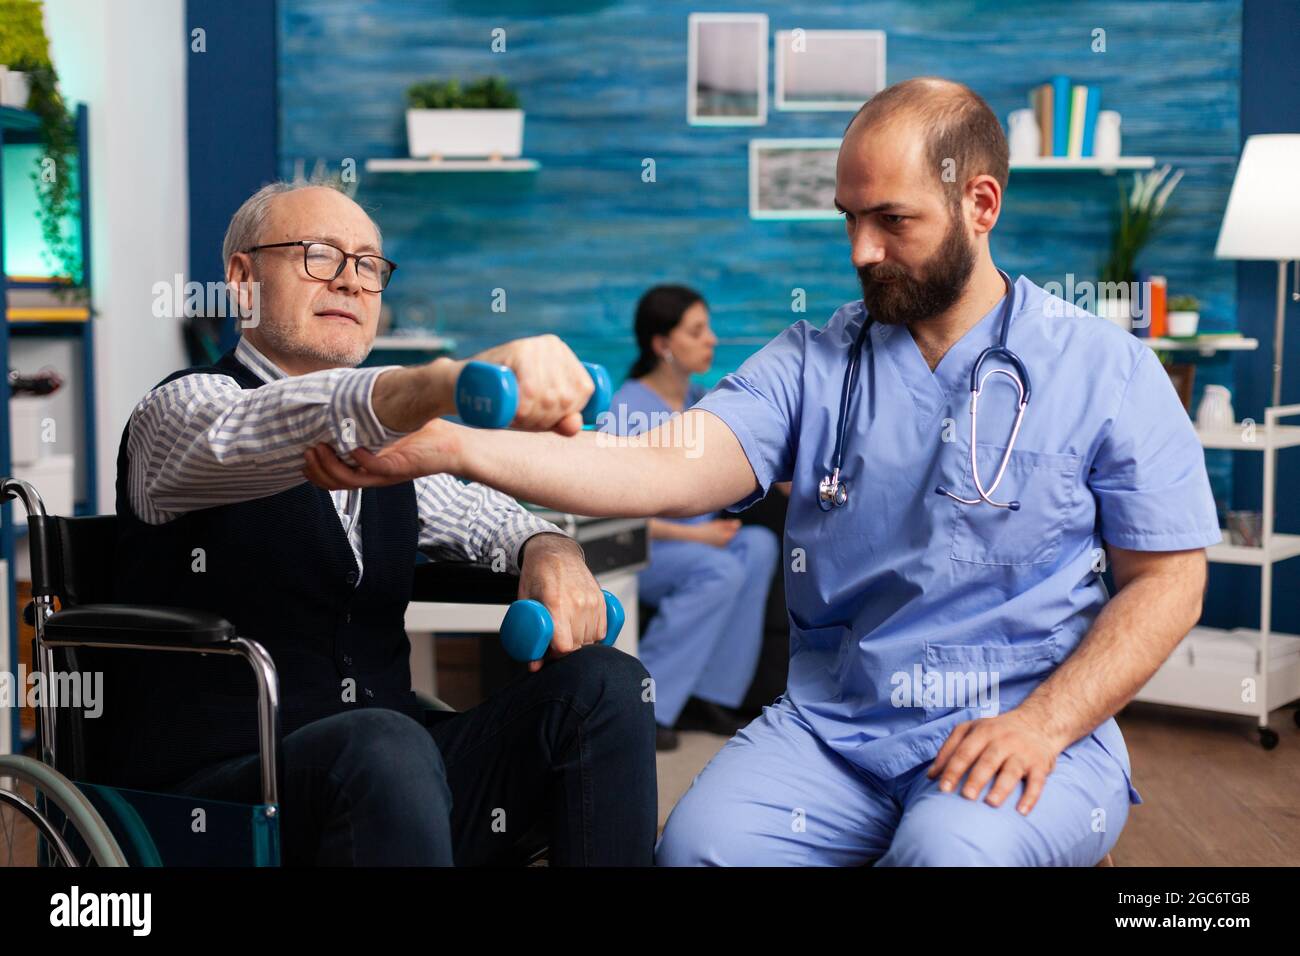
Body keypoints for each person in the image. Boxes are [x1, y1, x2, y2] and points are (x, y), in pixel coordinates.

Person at [302, 77, 1220, 866]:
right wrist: (455, 446)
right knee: (697, 848)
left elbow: (1169, 579)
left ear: (981, 205)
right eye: (850, 218)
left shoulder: (1107, 368)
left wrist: (1047, 723)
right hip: (837, 734)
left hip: (1025, 723)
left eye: (892, 220)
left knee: (946, 852)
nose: (861, 250)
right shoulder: (813, 362)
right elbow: (661, 463)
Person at [111, 181, 657, 866]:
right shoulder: (181, 413)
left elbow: (486, 515)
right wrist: (444, 383)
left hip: (395, 784)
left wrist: (546, 546)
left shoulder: (398, 456)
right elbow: (260, 429)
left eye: (369, 265)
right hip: (226, 797)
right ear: (243, 280)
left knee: (604, 684)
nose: (350, 280)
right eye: (318, 255)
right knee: (385, 744)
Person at [604, 285, 778, 750]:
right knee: (719, 566)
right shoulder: (627, 408)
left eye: (709, 329)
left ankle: (710, 693)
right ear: (663, 345)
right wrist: (698, 538)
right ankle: (650, 704)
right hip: (642, 550)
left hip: (700, 542)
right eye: (697, 332)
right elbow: (617, 512)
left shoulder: (703, 399)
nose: (712, 340)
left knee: (760, 546)